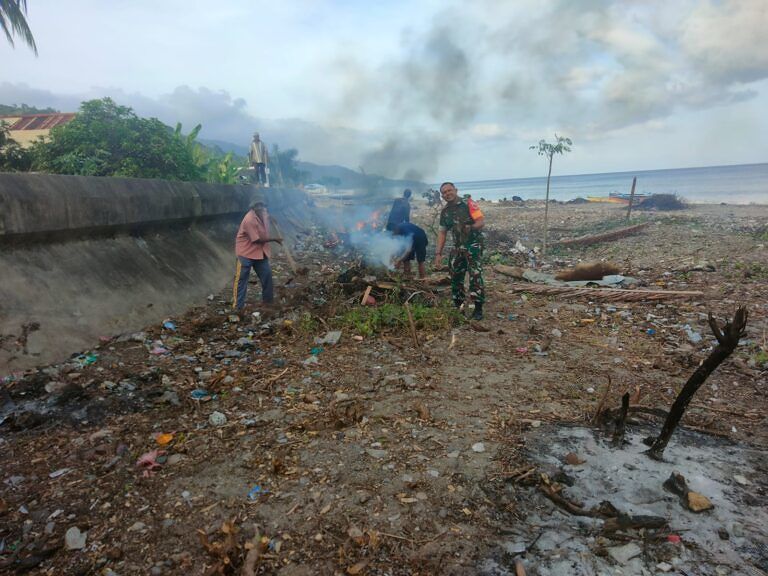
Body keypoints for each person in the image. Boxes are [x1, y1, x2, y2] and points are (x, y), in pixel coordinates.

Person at [433, 182, 485, 320]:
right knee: (455, 277)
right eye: (444, 192)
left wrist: (471, 228)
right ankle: (459, 307)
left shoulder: (468, 203)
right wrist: (438, 253)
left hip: (473, 245)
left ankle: (478, 309)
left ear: (455, 190)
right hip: (458, 248)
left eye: (449, 190)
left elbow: (480, 221)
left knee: (475, 276)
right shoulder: (445, 212)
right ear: (442, 195)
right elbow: (442, 233)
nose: (447, 194)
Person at [232, 194, 282, 312]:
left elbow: (267, 216)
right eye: (257, 206)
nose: (260, 208)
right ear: (253, 207)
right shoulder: (249, 219)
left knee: (267, 276)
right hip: (245, 252)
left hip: (260, 253)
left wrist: (271, 218)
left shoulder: (264, 213)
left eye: (262, 205)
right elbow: (256, 240)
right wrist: (274, 239)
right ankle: (238, 307)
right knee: (241, 279)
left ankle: (268, 302)